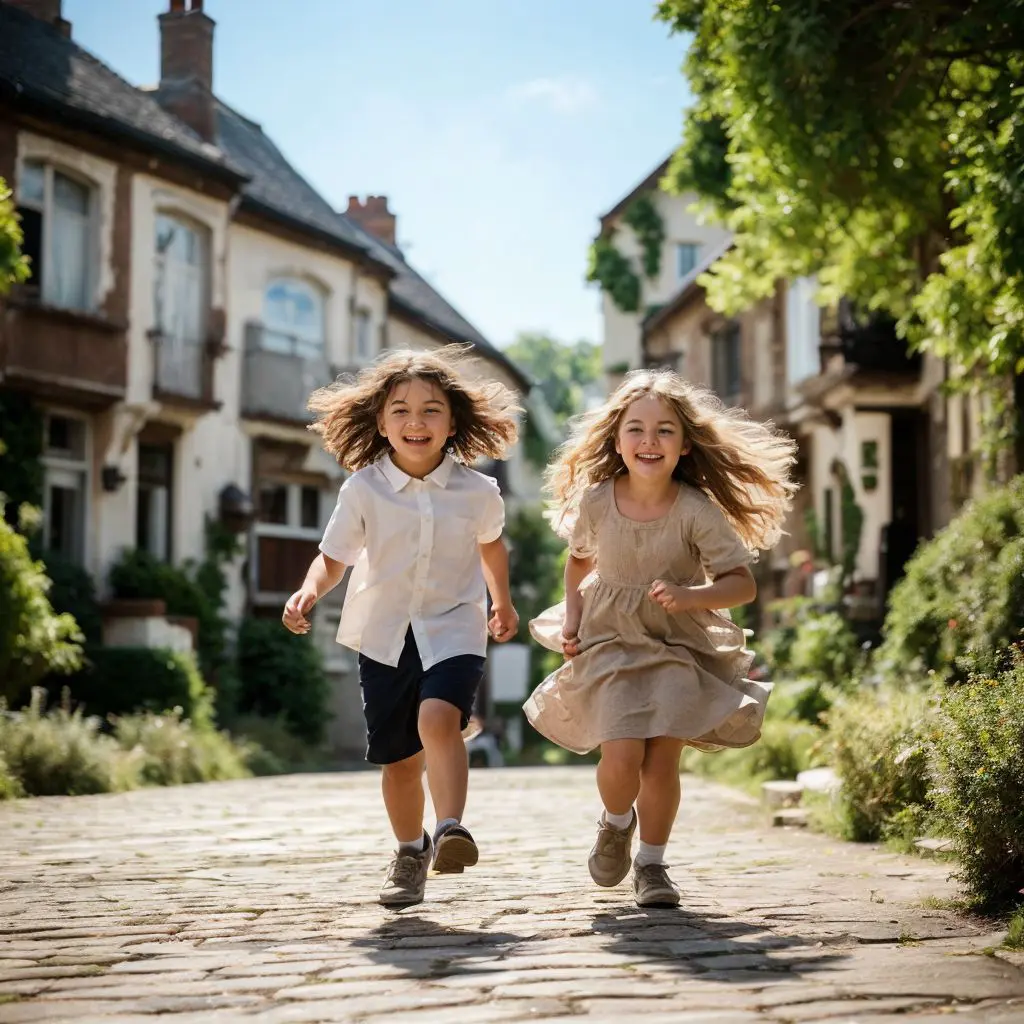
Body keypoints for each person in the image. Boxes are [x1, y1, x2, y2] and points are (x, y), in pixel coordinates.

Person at [525, 369, 797, 908]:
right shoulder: (599, 501)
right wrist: (573, 617)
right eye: (637, 429)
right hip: (610, 638)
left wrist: (690, 596)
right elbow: (579, 561)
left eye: (665, 430)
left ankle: (651, 864)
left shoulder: (696, 510)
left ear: (686, 444)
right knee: (622, 756)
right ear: (617, 440)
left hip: (677, 644)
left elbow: (741, 584)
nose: (650, 441)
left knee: (662, 760)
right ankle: (615, 821)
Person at [282, 347, 521, 908]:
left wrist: (502, 603)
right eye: (402, 410)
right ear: (382, 422)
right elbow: (335, 557)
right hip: (384, 632)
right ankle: (410, 852)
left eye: (431, 410)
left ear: (453, 422)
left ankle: (450, 829)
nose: (416, 421)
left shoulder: (478, 492)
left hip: (455, 627)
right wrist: (309, 589)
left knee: (439, 720)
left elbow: (492, 550)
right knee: (399, 762)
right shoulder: (363, 489)